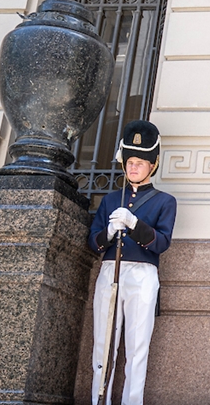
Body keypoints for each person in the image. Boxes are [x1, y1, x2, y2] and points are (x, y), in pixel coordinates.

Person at [88, 120, 176, 405]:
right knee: (103, 345)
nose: (133, 167)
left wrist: (135, 225)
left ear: (153, 165)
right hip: (109, 272)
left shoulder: (165, 201)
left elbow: (161, 243)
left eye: (140, 163)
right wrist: (109, 232)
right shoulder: (110, 199)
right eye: (130, 162)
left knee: (137, 347)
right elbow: (93, 243)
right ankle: (99, 400)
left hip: (142, 274)